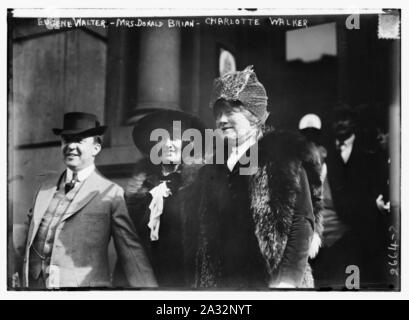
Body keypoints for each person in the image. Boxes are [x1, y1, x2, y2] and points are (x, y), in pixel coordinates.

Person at [191, 66, 323, 289]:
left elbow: (301, 224)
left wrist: (286, 283)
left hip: (273, 282)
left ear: (254, 116)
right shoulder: (211, 169)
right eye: (217, 113)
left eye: (230, 112)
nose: (221, 120)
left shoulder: (283, 157)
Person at [19, 112, 157, 289]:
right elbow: (25, 240)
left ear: (96, 148)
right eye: (66, 139)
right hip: (34, 289)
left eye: (79, 140)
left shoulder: (111, 193)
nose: (71, 146)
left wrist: (151, 293)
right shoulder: (44, 190)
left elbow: (131, 250)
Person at [114, 109, 205, 288]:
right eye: (162, 139)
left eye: (175, 138)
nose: (169, 144)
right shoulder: (139, 193)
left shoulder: (199, 186)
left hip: (183, 279)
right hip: (145, 279)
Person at [313, 104, 388, 289]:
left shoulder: (369, 151)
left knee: (359, 282)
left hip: (362, 228)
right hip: (334, 235)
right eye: (337, 119)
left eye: (345, 119)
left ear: (353, 122)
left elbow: (378, 185)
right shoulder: (326, 153)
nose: (341, 124)